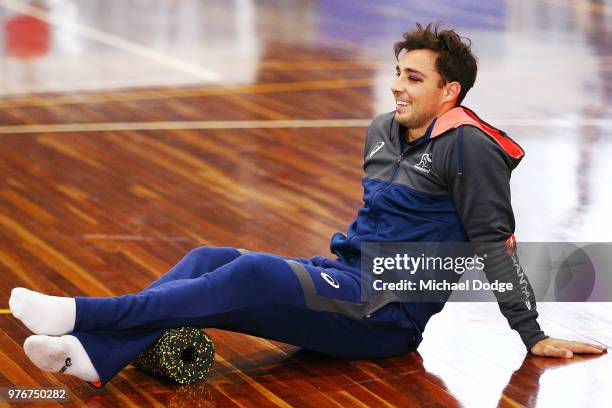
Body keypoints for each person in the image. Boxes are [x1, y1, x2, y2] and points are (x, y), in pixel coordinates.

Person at [8, 22, 606, 388]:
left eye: (415, 78)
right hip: (347, 279)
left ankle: (86, 314)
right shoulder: (382, 129)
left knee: (250, 272)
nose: (397, 85)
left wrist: (530, 334)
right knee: (207, 256)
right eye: (397, 71)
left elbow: (492, 246)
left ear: (449, 91)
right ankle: (90, 357)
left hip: (385, 315)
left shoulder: (471, 148)